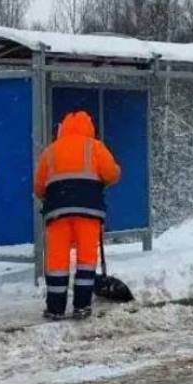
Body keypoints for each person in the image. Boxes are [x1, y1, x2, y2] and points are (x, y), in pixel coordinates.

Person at [33, 110, 121, 321]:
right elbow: (111, 173)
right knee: (85, 260)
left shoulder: (50, 151)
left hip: (57, 212)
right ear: (89, 128)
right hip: (89, 211)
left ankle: (55, 307)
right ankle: (81, 306)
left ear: (62, 129)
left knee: (57, 261)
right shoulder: (95, 147)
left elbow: (38, 187)